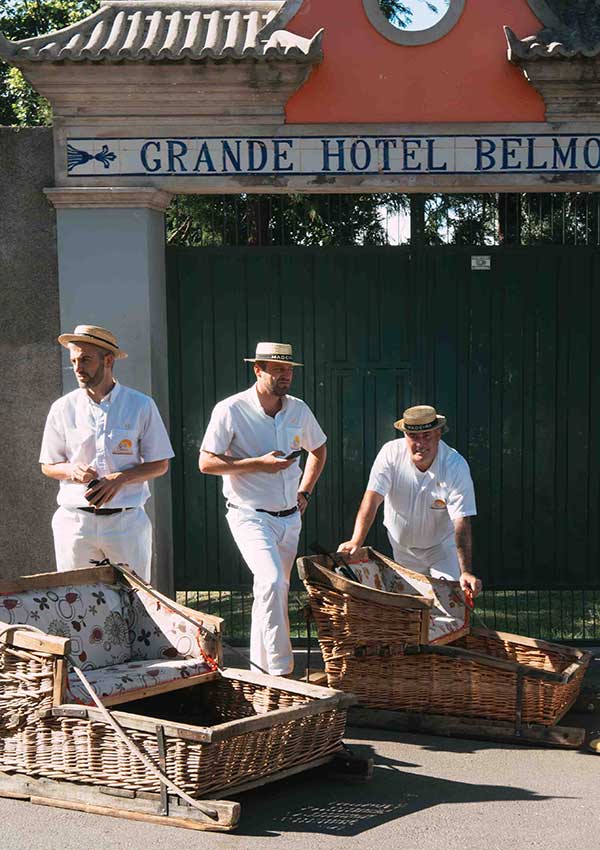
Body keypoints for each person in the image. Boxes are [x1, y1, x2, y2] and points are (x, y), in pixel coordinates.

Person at [199, 342, 327, 677]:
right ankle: (282, 672)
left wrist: (305, 492)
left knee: (272, 592)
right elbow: (206, 462)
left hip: (290, 518)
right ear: (258, 370)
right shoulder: (231, 409)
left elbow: (319, 449)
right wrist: (258, 464)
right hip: (249, 515)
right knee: (271, 582)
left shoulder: (299, 409)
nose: (286, 376)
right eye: (278, 369)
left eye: (289, 370)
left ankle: (259, 672)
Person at [39, 324, 174, 581]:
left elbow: (160, 463)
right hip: (75, 522)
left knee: (135, 596)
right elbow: (48, 464)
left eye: (85, 360)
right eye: (74, 361)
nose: (78, 368)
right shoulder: (62, 408)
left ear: (108, 360)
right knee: (76, 597)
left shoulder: (140, 405)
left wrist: (119, 478)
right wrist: (71, 470)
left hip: (126, 522)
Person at [338, 404, 482, 595]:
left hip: (441, 548)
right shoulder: (390, 453)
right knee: (410, 605)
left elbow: (461, 520)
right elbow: (372, 498)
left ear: (438, 434)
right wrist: (356, 540)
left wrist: (465, 572)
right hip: (402, 549)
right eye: (413, 436)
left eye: (427, 435)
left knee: (451, 602)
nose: (420, 443)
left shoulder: (455, 465)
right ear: (405, 435)